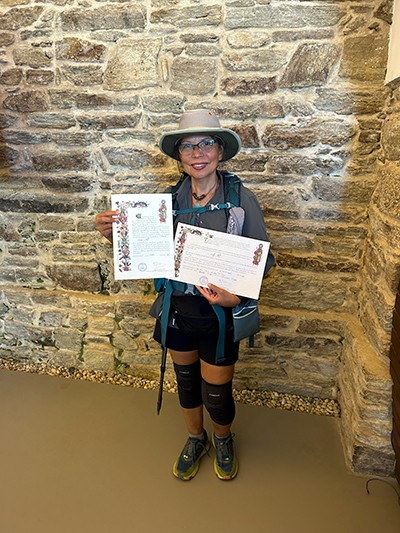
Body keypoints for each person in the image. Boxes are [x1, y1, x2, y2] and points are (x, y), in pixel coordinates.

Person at [95, 109, 274, 481]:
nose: (197, 153)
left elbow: (263, 260)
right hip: (177, 307)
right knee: (187, 381)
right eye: (188, 146)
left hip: (219, 314)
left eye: (206, 143)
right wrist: (112, 233)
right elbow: (144, 253)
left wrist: (235, 299)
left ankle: (222, 438)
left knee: (216, 391)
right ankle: (197, 438)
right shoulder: (164, 203)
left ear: (220, 151)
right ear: (180, 155)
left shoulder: (242, 199)